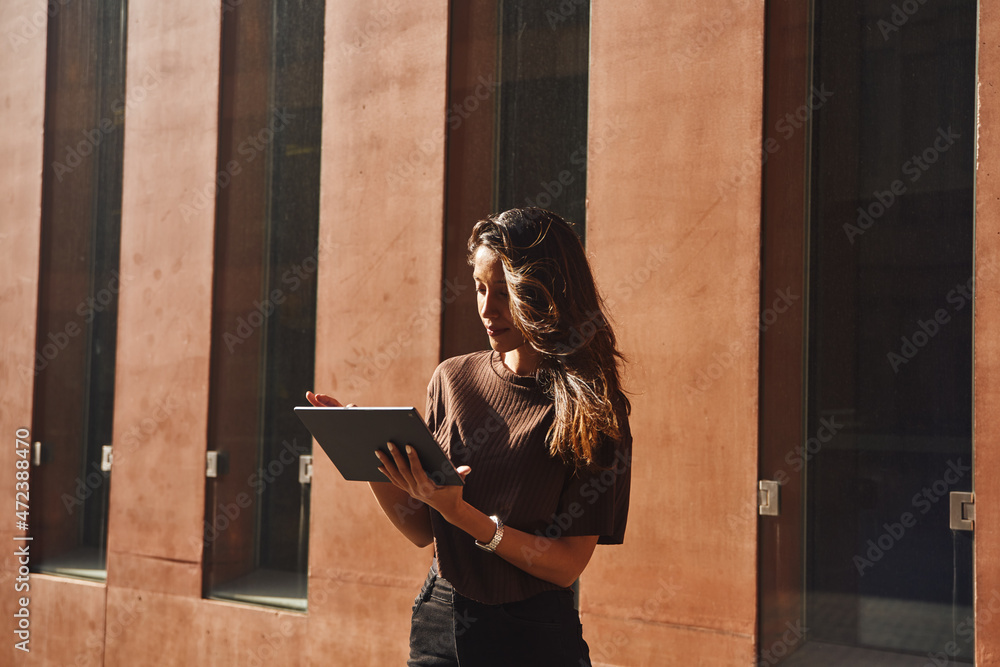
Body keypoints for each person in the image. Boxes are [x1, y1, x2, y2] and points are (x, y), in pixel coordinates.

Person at [306, 208, 632, 666]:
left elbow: (565, 566)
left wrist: (464, 515)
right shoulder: (452, 379)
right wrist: (370, 454)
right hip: (440, 619)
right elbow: (423, 530)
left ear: (548, 293)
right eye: (479, 288)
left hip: (533, 634)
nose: (486, 308)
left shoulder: (592, 408)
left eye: (504, 293)